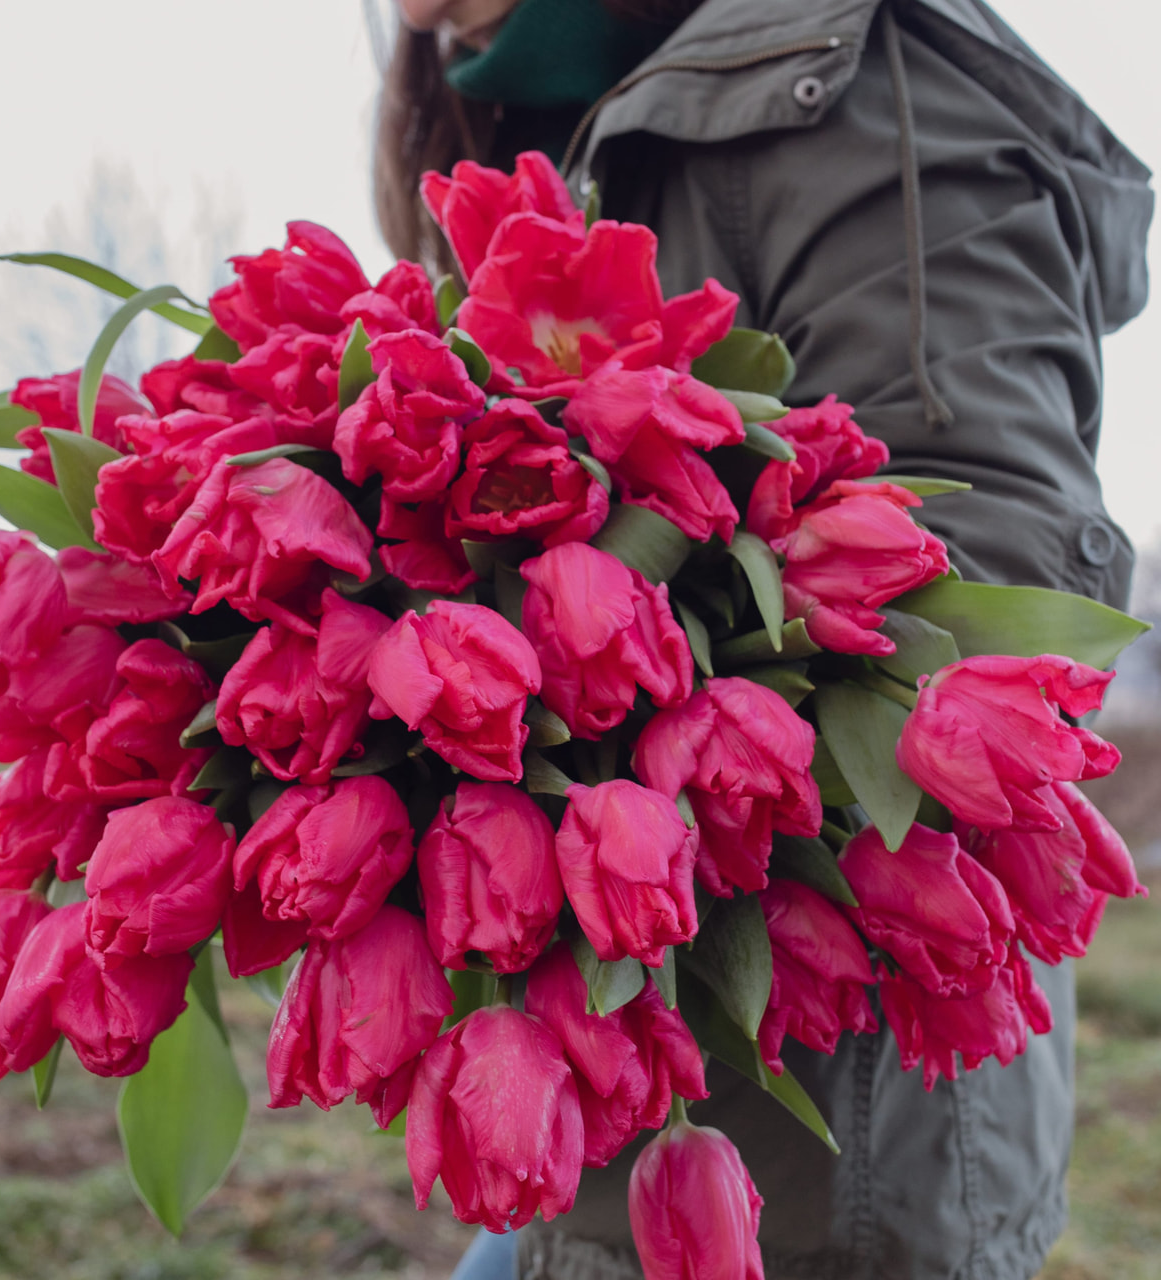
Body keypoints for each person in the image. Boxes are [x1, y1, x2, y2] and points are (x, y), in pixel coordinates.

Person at [372, 1, 1154, 1277]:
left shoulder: (859, 98)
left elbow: (979, 571)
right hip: (618, 1087)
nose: (404, 11)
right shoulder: (587, 118)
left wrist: (568, 650)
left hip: (835, 1150)